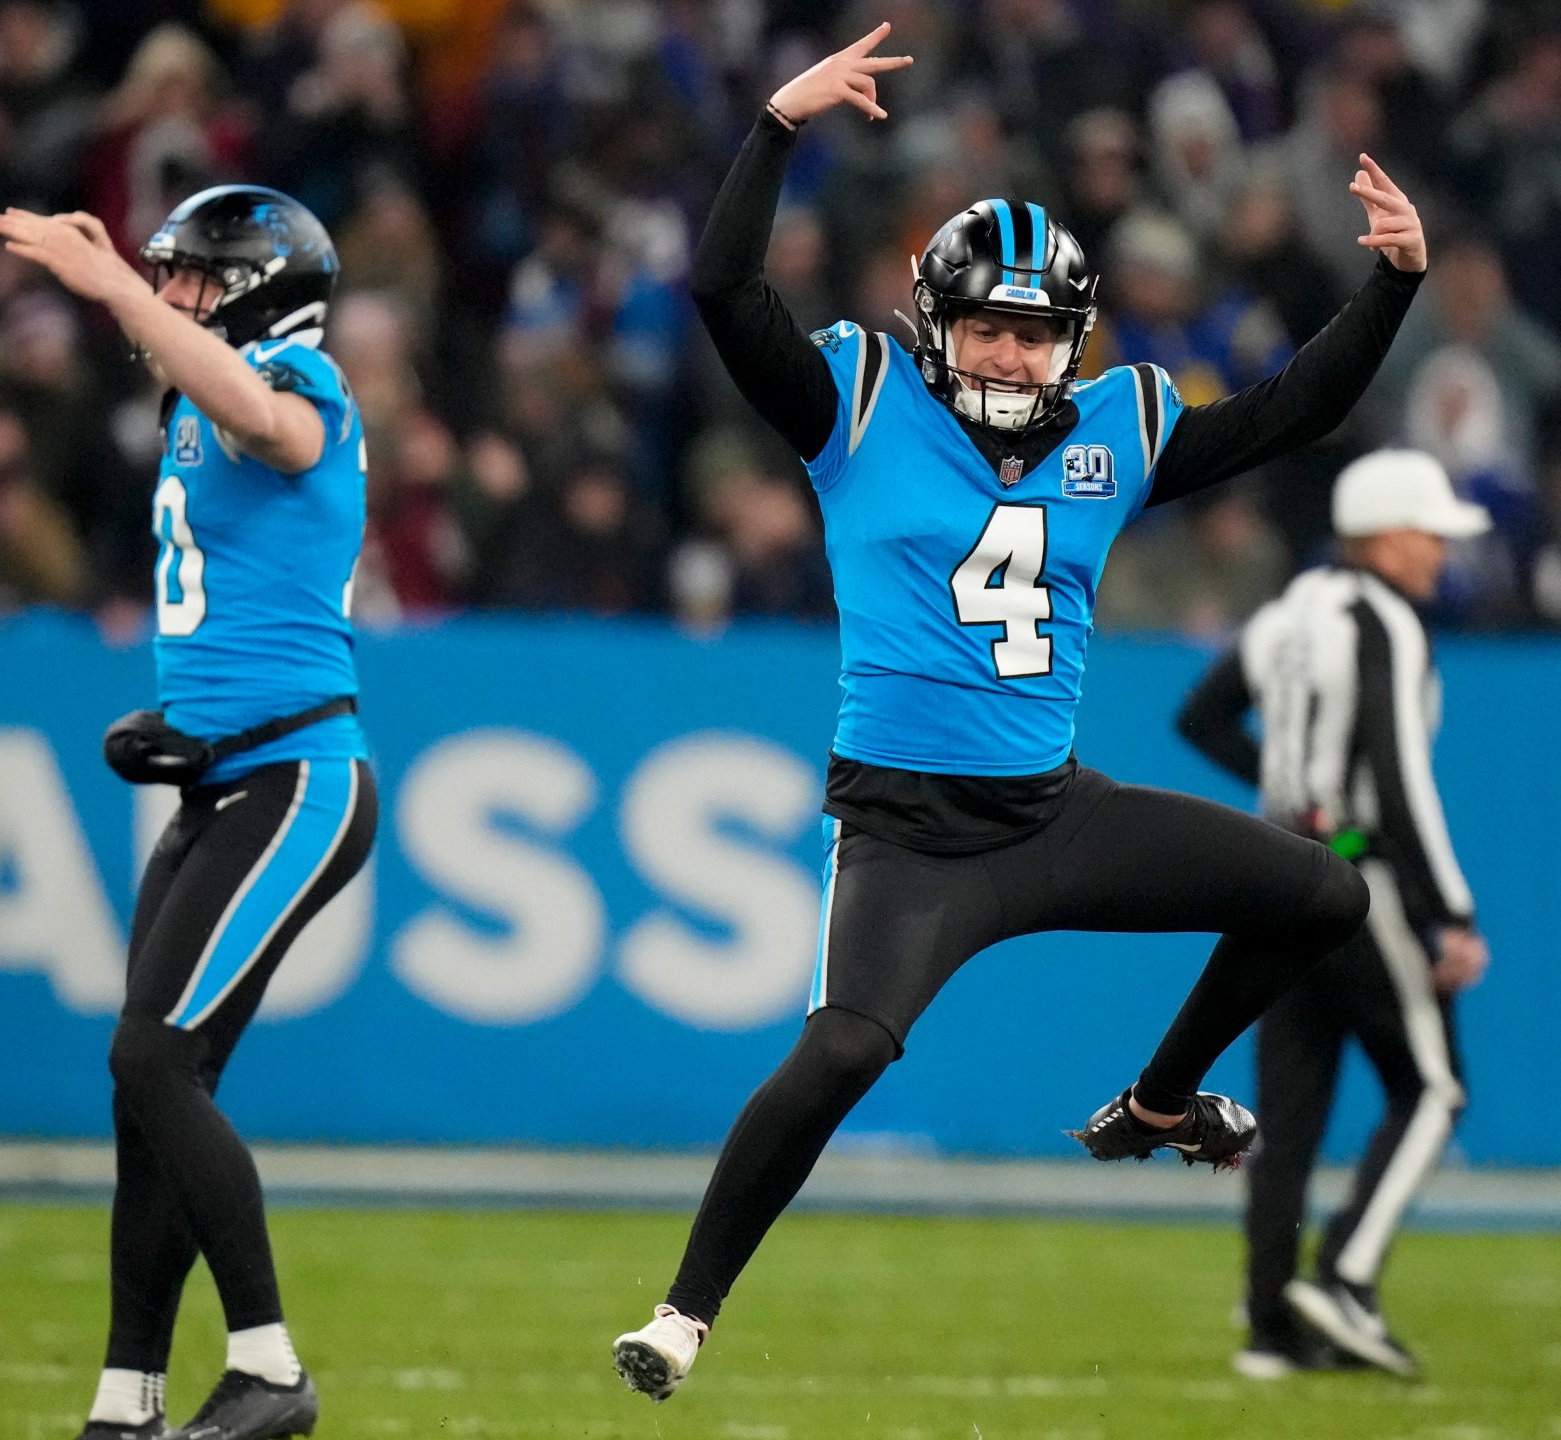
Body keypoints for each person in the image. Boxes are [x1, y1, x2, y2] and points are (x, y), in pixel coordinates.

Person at [609, 23, 1429, 1404]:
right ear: (936, 322)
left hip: (1051, 813)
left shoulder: (1120, 424)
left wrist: (1395, 284)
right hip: (908, 836)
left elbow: (1294, 410)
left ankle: (1161, 1102)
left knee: (1324, 895)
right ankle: (684, 1313)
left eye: (1034, 327)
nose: (1009, 347)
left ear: (1071, 338)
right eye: (986, 321)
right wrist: (777, 125)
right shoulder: (859, 401)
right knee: (845, 1048)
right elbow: (722, 285)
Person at [0, 186, 377, 1440]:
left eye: (192, 282)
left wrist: (104, 286)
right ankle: (126, 1401)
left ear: (265, 289)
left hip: (298, 776)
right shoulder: (198, 384)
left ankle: (268, 1366)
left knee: (151, 1059)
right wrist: (181, 719)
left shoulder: (303, 381)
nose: (167, 301)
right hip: (225, 773)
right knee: (149, 1087)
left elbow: (267, 421)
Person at [1176, 449, 1492, 1379]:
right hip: (1357, 876)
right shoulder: (1382, 619)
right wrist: (1452, 912)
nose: (1438, 554)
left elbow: (1199, 716)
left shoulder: (1290, 611)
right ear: (1388, 536)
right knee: (1433, 1087)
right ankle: (1346, 1280)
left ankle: (1273, 1327)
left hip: (1281, 878)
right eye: (1429, 534)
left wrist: (1286, 800)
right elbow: (1399, 776)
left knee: (1292, 1108)